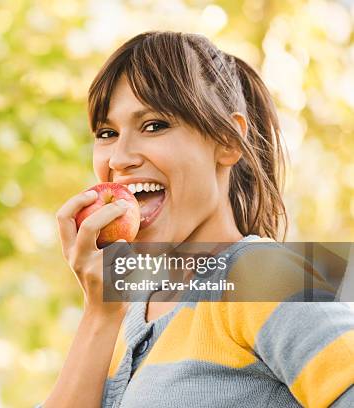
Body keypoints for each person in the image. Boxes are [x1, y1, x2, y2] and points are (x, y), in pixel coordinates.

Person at [41, 31, 354, 407]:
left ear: (227, 141)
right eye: (107, 133)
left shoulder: (263, 275)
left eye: (154, 125)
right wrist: (99, 313)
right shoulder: (126, 314)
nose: (119, 158)